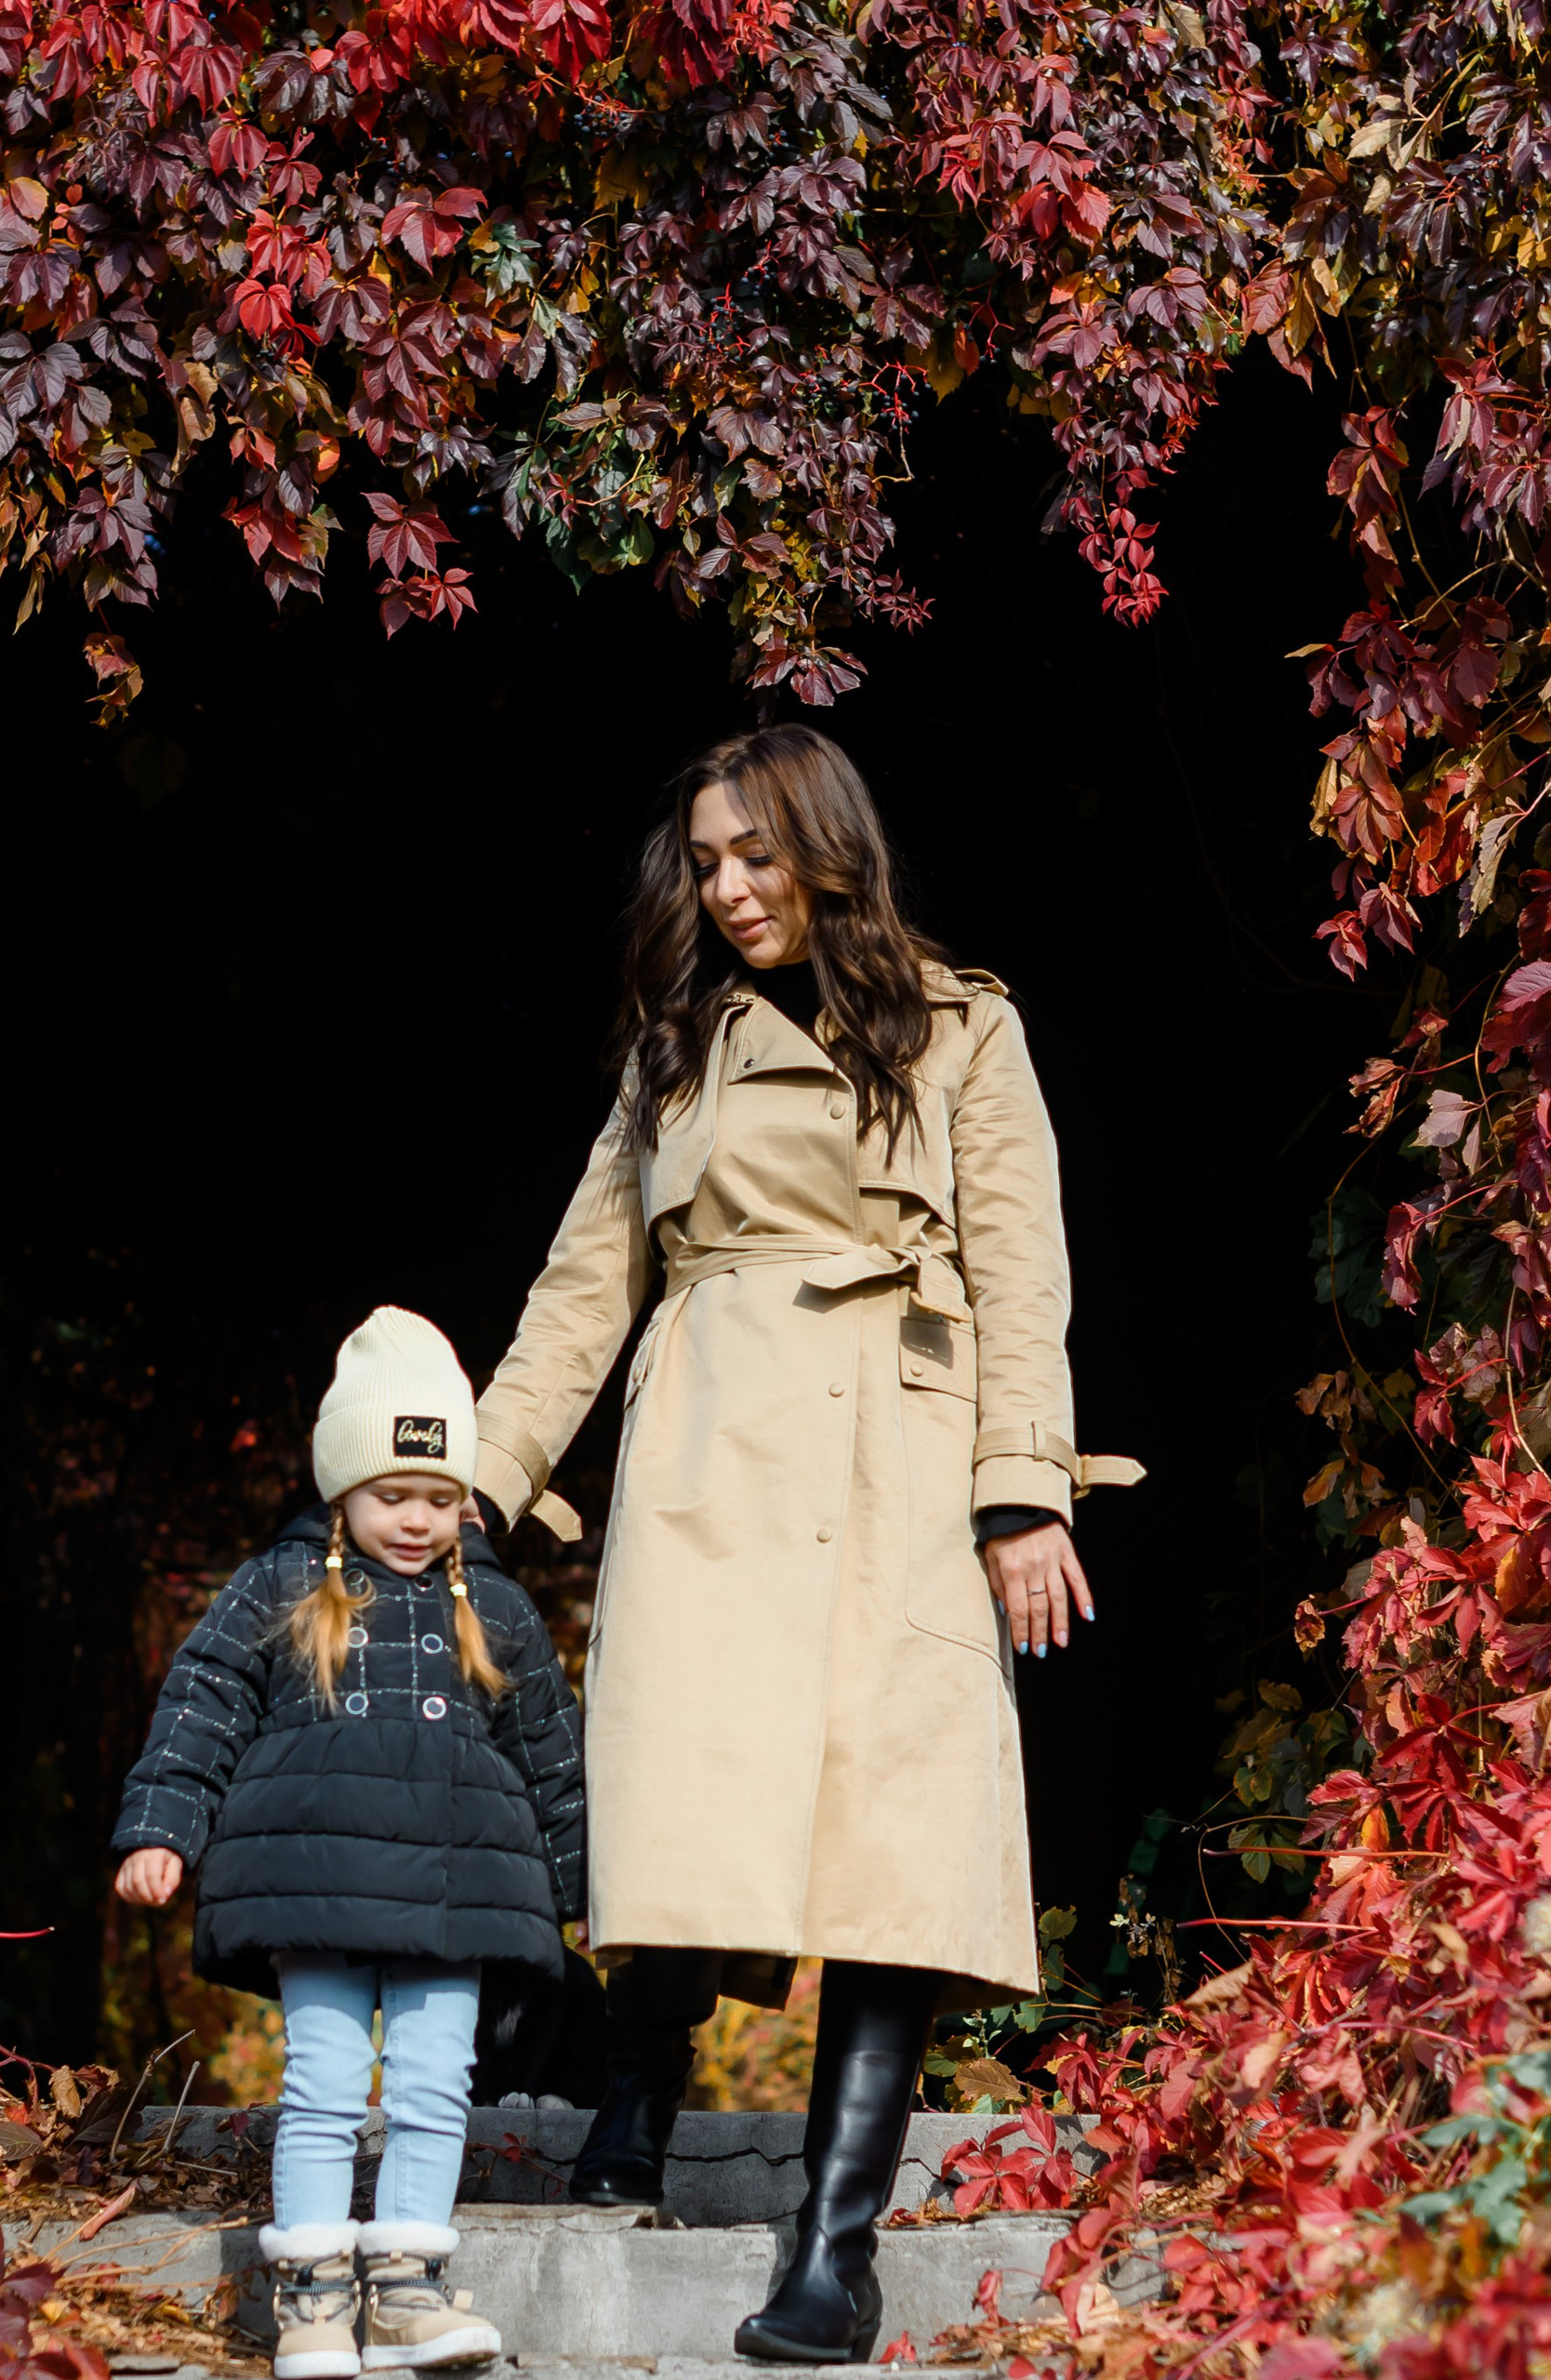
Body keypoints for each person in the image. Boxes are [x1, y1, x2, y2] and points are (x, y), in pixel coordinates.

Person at [471, 726, 1139, 2363]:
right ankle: (638, 2093)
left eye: (757, 854)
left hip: (902, 1446)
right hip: (710, 1443)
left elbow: (1023, 1268)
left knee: (896, 1826)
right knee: (681, 1770)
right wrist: (475, 1481)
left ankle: (834, 2252)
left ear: (829, 847)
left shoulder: (965, 1027)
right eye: (706, 861)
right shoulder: (673, 1050)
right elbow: (582, 1290)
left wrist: (1022, 1490)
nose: (728, 888)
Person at [112, 1308, 586, 2378]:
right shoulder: (280, 1587)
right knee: (325, 2082)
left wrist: (581, 1883)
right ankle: (314, 2298)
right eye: (390, 1494)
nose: (416, 1519)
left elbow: (551, 1753)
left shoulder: (495, 1606)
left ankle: (409, 2290)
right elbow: (203, 1702)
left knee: (434, 2082)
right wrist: (162, 1828)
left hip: (456, 1889)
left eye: (439, 1497)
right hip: (316, 1882)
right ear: (340, 1488)